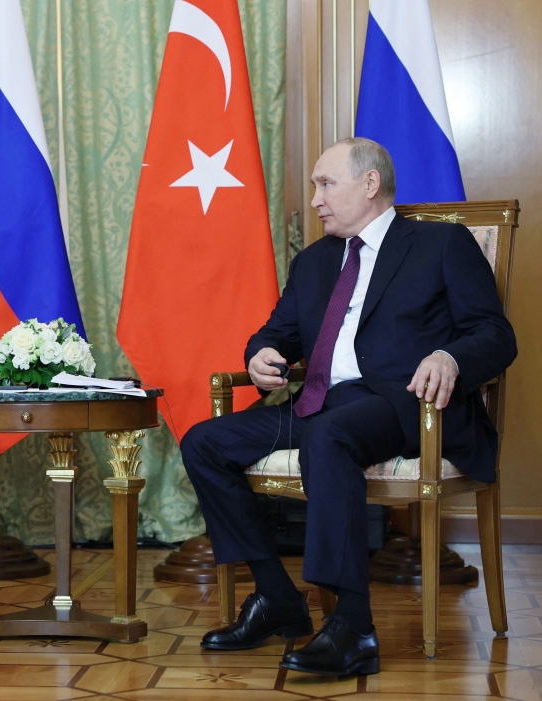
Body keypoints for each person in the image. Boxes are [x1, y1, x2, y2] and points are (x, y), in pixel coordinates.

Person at [180, 137, 517, 676]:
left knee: (329, 435)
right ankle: (275, 596)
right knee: (204, 441)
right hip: (320, 400)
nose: (315, 198)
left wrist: (449, 357)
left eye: (325, 183)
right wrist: (262, 355)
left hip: (405, 403)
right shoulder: (314, 261)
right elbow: (276, 333)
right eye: (315, 185)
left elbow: (495, 335)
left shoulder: (441, 244)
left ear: (369, 184)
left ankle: (353, 627)